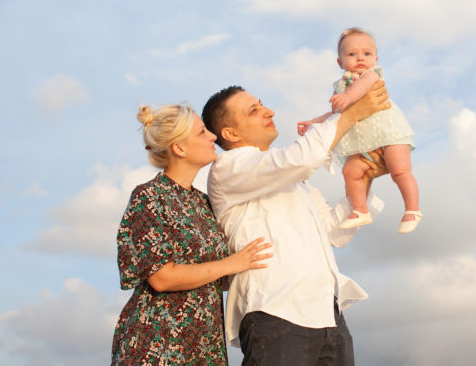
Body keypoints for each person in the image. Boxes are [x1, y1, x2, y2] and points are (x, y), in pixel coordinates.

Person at [202, 83, 390, 365]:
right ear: (230, 133)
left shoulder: (293, 178)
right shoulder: (228, 167)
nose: (268, 111)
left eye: (262, 104)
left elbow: (335, 232)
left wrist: (366, 178)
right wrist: (349, 115)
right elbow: (303, 158)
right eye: (254, 110)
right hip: (275, 313)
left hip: (329, 317)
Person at [111, 103, 273, 365]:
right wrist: (232, 263)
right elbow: (162, 277)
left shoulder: (205, 203)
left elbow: (216, 276)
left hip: (203, 346)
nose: (212, 136)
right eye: (201, 132)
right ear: (179, 148)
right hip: (158, 345)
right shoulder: (150, 197)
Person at [297, 27, 422, 234]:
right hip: (363, 141)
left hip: (389, 132)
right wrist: (314, 122)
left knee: (400, 170)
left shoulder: (372, 75)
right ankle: (360, 209)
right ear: (340, 62)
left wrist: (347, 97)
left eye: (366, 54)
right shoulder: (340, 86)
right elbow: (337, 115)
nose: (360, 58)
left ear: (375, 58)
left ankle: (412, 209)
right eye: (351, 54)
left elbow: (362, 87)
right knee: (350, 171)